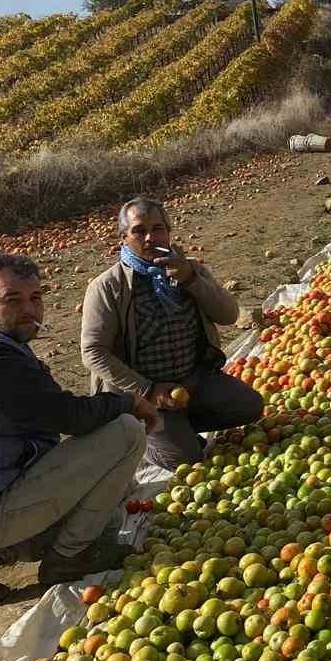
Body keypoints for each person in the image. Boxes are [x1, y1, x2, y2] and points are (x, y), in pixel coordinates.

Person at [0, 253, 160, 604]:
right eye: (12, 300)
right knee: (125, 433)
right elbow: (69, 417)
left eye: (35, 298)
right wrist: (129, 402)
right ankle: (66, 558)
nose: (29, 310)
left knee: (112, 493)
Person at [82, 197, 264, 471]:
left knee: (250, 406)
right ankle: (148, 436)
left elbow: (229, 315)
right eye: (139, 230)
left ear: (168, 232)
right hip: (143, 394)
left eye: (157, 228)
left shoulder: (187, 269)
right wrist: (148, 390)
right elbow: (93, 352)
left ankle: (178, 425)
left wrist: (192, 279)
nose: (149, 237)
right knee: (185, 459)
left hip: (192, 381)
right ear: (123, 238)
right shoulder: (108, 287)